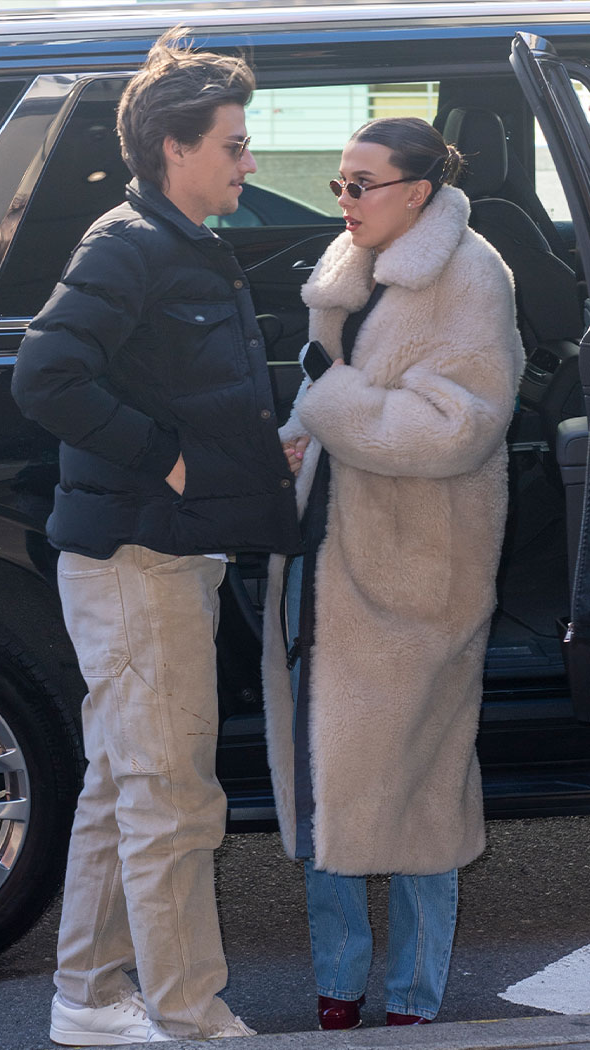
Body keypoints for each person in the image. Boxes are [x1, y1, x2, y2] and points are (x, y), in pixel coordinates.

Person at [11, 27, 301, 1046]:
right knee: (173, 798)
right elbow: (44, 376)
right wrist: (162, 459)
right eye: (233, 143)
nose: (248, 160)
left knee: (120, 786)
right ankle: (190, 1016)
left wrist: (256, 447)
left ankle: (88, 998)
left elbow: (184, 381)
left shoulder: (176, 243)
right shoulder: (128, 243)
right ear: (174, 149)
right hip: (137, 558)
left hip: (154, 553)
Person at [262, 116, 524, 1030]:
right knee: (323, 773)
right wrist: (295, 439)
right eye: (338, 183)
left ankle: (413, 1000)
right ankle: (338, 985)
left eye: (361, 184)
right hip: (326, 558)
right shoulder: (344, 268)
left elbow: (460, 426)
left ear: (417, 190)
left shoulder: (472, 275)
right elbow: (323, 397)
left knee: (419, 787)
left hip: (420, 570)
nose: (345, 200)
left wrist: (327, 407)